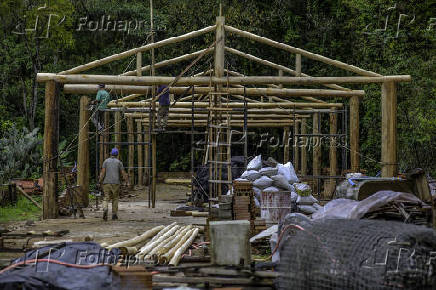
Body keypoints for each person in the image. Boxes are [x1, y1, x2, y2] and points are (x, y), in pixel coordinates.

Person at [99, 148, 129, 221]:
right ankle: (114, 214)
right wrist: (127, 181)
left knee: (106, 197)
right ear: (117, 154)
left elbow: (103, 172)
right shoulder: (119, 162)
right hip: (116, 183)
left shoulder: (106, 161)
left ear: (110, 153)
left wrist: (100, 180)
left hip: (106, 182)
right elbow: (123, 173)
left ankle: (105, 209)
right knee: (115, 198)